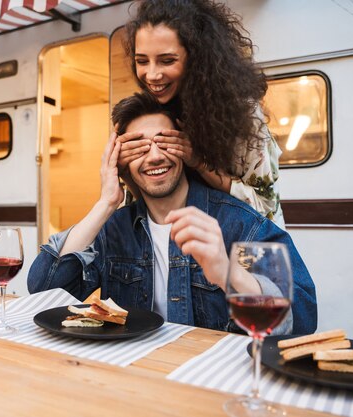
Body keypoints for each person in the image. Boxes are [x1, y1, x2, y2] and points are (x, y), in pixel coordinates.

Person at [28, 92, 317, 334]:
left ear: (183, 149)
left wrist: (228, 272)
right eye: (138, 148)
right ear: (120, 162)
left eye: (164, 142)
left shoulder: (240, 222)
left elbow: (303, 317)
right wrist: (105, 202)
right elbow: (44, 292)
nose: (154, 156)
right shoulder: (114, 229)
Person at [117, 0, 285, 228]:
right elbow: (149, 201)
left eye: (167, 61)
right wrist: (125, 170)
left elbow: (264, 205)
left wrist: (199, 163)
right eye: (142, 61)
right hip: (182, 248)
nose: (152, 75)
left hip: (245, 244)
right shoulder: (155, 106)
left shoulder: (240, 112)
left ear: (195, 57)